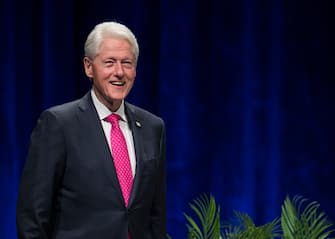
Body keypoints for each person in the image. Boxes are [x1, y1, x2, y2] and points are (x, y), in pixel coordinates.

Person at [16, 21, 166, 239]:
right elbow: (32, 217)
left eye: (127, 63)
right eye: (109, 62)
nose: (119, 72)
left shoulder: (153, 127)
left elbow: (156, 215)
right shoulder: (59, 124)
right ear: (89, 67)